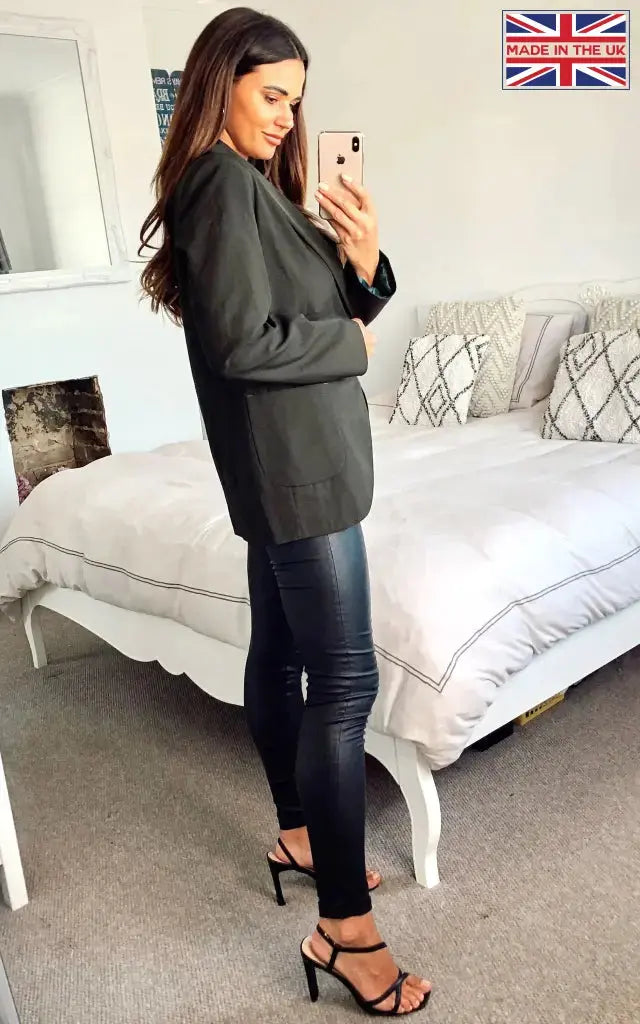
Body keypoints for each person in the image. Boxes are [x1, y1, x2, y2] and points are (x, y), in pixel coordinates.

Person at [139, 6, 431, 1016]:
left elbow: (322, 310)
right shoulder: (220, 185)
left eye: (295, 101)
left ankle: (301, 834)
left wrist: (366, 256)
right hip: (297, 470)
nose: (285, 116)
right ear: (220, 83)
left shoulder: (249, 186)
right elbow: (244, 345)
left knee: (278, 652)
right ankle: (345, 929)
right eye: (271, 95)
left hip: (286, 468)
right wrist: (354, 343)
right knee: (344, 684)